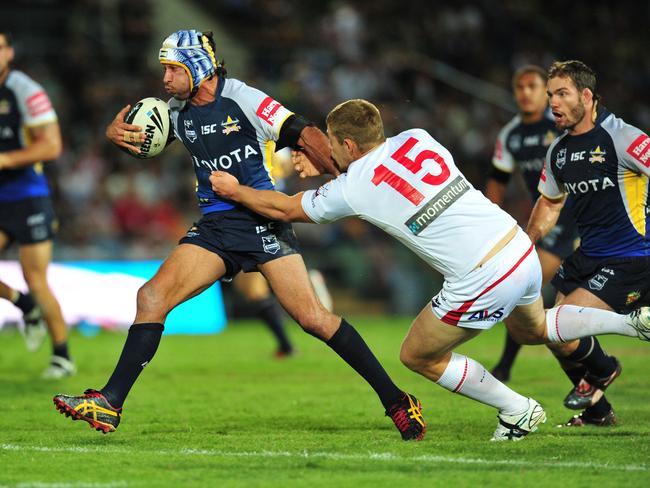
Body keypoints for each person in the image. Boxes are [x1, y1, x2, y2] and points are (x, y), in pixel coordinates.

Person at [52, 29, 425, 441]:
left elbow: (303, 132)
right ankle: (109, 403)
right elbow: (145, 141)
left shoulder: (243, 98)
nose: (164, 80)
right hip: (216, 226)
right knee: (151, 297)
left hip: (262, 220)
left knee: (313, 319)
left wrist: (345, 175)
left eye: (172, 69)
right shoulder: (175, 111)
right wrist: (116, 137)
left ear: (197, 66)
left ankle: (397, 401)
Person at [209, 98, 650, 441]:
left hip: (481, 276)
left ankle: (517, 409)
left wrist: (234, 188)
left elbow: (284, 208)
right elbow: (384, 177)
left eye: (331, 140)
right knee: (536, 327)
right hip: (516, 246)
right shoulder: (417, 137)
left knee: (417, 355)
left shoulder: (353, 187)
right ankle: (628, 322)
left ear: (345, 145)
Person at [527, 60, 650, 427]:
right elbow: (550, 202)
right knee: (548, 332)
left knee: (559, 325)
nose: (553, 103)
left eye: (562, 94)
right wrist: (526, 242)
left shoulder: (624, 137)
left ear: (586, 96)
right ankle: (598, 411)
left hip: (631, 257)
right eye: (550, 95)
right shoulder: (559, 151)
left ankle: (605, 367)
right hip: (588, 256)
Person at [0, 30, 75, 378]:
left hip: (28, 197)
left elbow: (51, 146)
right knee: (32, 284)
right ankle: (23, 305)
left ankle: (62, 356)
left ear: (9, 53)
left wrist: (5, 160)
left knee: (36, 277)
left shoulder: (25, 90)